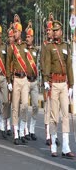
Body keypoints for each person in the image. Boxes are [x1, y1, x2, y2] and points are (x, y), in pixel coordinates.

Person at [43, 20, 74, 158]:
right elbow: (47, 65)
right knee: (54, 116)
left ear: (61, 31)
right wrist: (45, 80)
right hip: (54, 83)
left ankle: (66, 147)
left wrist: (72, 85)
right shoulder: (49, 47)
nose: (55, 33)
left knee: (66, 116)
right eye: (53, 30)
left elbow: (69, 66)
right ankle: (54, 144)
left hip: (64, 83)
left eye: (57, 30)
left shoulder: (66, 46)